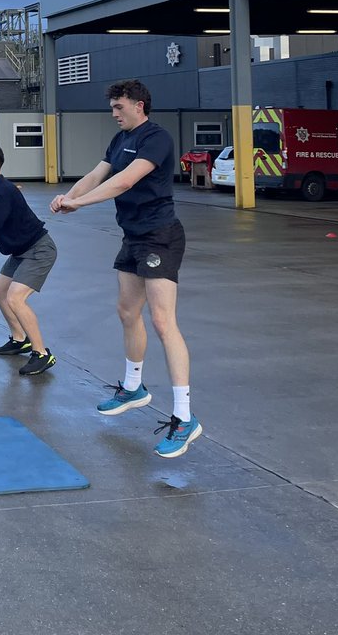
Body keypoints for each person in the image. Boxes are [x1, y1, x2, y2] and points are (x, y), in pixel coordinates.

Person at [50, 79, 201, 459]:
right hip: (132, 237)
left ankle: (185, 418)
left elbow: (124, 181)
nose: (114, 114)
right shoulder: (118, 141)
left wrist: (79, 205)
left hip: (160, 237)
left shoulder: (156, 138)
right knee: (127, 311)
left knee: (163, 322)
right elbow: (97, 175)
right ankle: (134, 388)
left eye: (119, 107)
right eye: (113, 108)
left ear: (139, 105)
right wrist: (69, 196)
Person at [0, 145, 57, 375]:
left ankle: (42, 353)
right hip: (19, 252)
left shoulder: (4, 191)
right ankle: (20, 339)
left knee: (15, 298)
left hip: (38, 249)